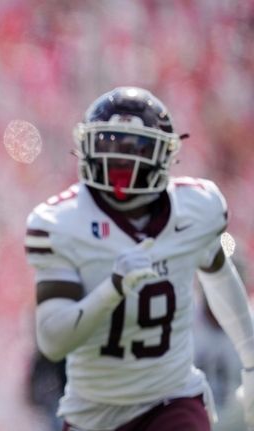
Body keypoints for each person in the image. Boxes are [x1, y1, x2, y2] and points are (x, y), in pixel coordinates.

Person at [24, 86, 254, 430]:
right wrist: (112, 290)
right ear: (86, 147)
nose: (120, 159)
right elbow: (53, 341)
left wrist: (251, 359)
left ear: (163, 155)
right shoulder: (60, 222)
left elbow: (219, 278)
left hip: (171, 398)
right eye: (108, 145)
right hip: (93, 412)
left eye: (134, 147)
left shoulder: (196, 208)